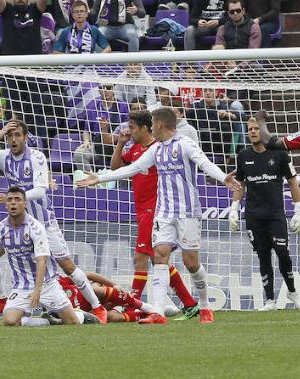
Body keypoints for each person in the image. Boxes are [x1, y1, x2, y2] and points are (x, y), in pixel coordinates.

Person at [77, 107, 242, 324]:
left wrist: (223, 178)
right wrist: (99, 178)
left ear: (161, 125)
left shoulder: (185, 145)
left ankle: (204, 306)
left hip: (187, 212)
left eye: (153, 123)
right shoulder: (156, 150)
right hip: (163, 213)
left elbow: (204, 164)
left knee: (191, 263)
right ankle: (158, 312)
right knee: (159, 255)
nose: (151, 127)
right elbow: (133, 168)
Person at [0, 120, 108, 323]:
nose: (13, 139)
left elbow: (40, 190)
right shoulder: (4, 157)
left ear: (26, 138)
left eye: (17, 135)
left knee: (68, 267)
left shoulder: (37, 157)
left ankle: (98, 308)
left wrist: (13, 197)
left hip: (44, 223)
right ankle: (1, 300)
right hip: (19, 222)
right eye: (10, 136)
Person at [108, 110, 201, 320]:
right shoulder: (134, 149)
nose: (128, 131)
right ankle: (189, 303)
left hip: (156, 209)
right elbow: (115, 168)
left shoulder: (158, 149)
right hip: (141, 210)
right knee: (157, 259)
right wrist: (121, 143)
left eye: (132, 128)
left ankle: (130, 304)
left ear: (144, 128)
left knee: (141, 257)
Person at [0, 186, 98, 327]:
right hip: (21, 287)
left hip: (47, 284)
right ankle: (49, 321)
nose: (13, 203)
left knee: (72, 322)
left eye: (17, 199)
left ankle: (81, 315)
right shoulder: (0, 229)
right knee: (10, 321)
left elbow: (42, 260)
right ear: (6, 204)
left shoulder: (35, 227)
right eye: (10, 199)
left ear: (25, 204)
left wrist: (37, 290)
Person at [229, 118, 300, 311]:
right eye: (249, 129)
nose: (252, 132)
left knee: (283, 253)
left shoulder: (279, 154)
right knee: (263, 256)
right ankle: (270, 301)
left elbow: (293, 181)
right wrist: (234, 209)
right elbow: (240, 184)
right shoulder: (243, 155)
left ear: (263, 131)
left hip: (276, 215)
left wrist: (298, 211)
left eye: (256, 128)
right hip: (254, 216)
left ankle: (293, 292)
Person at [73, 83, 129, 170]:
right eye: (102, 87)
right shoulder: (93, 105)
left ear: (114, 89)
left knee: (125, 155)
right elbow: (86, 130)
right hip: (97, 144)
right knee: (79, 154)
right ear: (98, 90)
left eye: (108, 87)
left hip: (117, 144)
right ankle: (89, 180)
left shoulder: (123, 106)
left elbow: (128, 128)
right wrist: (86, 141)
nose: (105, 90)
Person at [56, 273, 155, 323]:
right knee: (112, 317)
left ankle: (147, 308)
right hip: (99, 308)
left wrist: (114, 285)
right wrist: (106, 307)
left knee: (94, 290)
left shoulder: (59, 281)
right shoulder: (54, 304)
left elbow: (89, 275)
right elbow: (89, 315)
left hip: (100, 291)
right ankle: (143, 316)